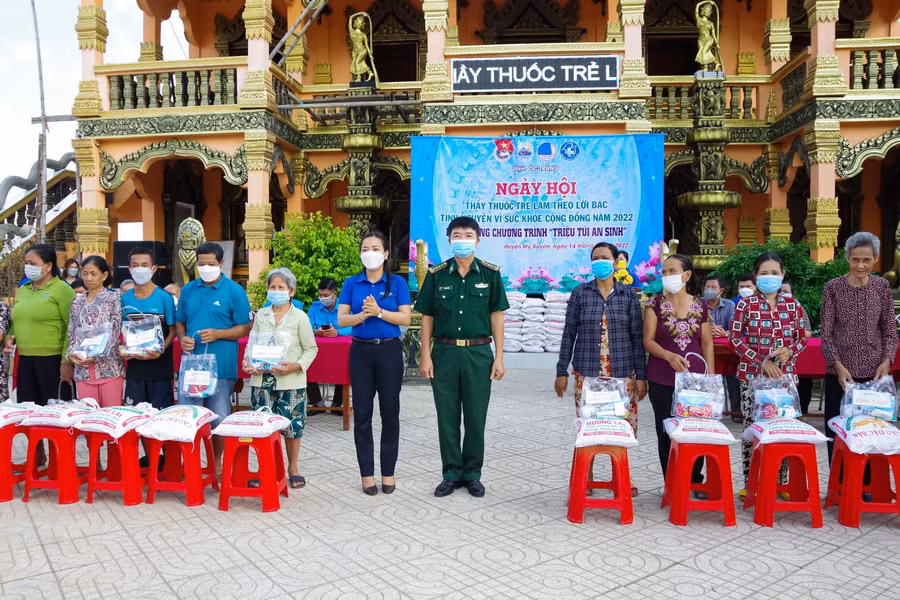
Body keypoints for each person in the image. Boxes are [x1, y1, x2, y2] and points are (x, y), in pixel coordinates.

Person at [416, 217, 508, 499]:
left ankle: (473, 475)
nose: (463, 240)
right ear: (449, 239)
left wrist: (499, 357)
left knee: (476, 417)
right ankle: (451, 474)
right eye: (457, 235)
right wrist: (425, 356)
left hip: (479, 353)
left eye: (469, 235)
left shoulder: (490, 275)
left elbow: (497, 317)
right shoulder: (437, 275)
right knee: (447, 416)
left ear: (478, 240)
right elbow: (427, 318)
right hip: (444, 353)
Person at [555, 241, 647, 496]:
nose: (599, 261)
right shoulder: (580, 293)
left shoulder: (628, 295)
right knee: (590, 425)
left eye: (604, 257)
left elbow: (637, 337)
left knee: (620, 427)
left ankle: (622, 479)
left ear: (616, 260)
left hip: (622, 374)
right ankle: (587, 477)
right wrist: (561, 371)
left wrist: (642, 376)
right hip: (587, 374)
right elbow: (568, 334)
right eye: (595, 257)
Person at [337, 231, 411, 496]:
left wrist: (379, 311)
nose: (370, 252)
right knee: (363, 417)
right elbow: (342, 320)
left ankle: (388, 473)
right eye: (365, 248)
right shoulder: (351, 284)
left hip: (389, 352)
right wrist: (362, 315)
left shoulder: (398, 283)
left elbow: (405, 318)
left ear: (386, 254)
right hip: (361, 353)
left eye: (375, 248)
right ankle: (367, 475)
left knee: (390, 414)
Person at [729, 252, 807, 497]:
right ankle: (750, 483)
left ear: (782, 275)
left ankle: (780, 482)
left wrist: (789, 352)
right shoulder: (746, 304)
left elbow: (803, 338)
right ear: (756, 276)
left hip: (784, 380)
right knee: (753, 429)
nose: (769, 277)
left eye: (775, 273)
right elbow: (734, 340)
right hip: (752, 378)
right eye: (764, 273)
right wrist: (762, 360)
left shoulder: (793, 305)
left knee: (782, 428)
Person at [821, 232, 897, 460]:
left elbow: (889, 331)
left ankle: (866, 487)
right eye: (855, 259)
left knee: (870, 432)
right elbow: (826, 334)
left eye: (867, 260)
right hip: (840, 376)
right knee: (838, 431)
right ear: (847, 258)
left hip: (874, 376)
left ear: (875, 258)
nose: (861, 265)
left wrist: (887, 361)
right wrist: (837, 366)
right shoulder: (833, 287)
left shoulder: (882, 287)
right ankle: (839, 487)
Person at [176, 242, 252, 467]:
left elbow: (245, 327)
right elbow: (180, 321)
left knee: (218, 416)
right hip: (193, 367)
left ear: (221, 263)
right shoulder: (189, 289)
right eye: (201, 264)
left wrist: (219, 334)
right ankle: (189, 464)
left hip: (222, 366)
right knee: (188, 415)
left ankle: (216, 464)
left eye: (211, 264)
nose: (206, 267)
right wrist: (182, 339)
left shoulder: (234, 291)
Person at [644, 254, 714, 495]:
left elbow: (706, 342)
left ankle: (695, 480)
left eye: (672, 270)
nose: (666, 276)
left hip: (695, 380)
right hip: (661, 377)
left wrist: (710, 378)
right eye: (663, 272)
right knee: (667, 431)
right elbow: (647, 341)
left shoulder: (701, 305)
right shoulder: (654, 305)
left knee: (695, 430)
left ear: (686, 275)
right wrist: (668, 355)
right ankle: (672, 483)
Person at [244, 268, 318, 489]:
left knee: (292, 427)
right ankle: (266, 467)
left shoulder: (300, 318)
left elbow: (311, 349)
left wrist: (296, 365)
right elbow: (252, 344)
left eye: (281, 288)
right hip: (262, 381)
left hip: (291, 381)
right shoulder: (261, 316)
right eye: (272, 287)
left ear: (291, 291)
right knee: (263, 427)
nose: (276, 291)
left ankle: (293, 468)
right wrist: (248, 363)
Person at [3, 244, 76, 465]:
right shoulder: (24, 290)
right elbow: (17, 321)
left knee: (53, 412)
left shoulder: (63, 290)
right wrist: (10, 336)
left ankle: (59, 460)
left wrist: (66, 361)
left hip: (52, 359)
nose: (28, 267)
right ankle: (36, 456)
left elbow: (71, 327)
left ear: (49, 266)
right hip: (25, 359)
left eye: (32, 264)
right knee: (29, 410)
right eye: (26, 263)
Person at [122, 247, 177, 410]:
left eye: (145, 265)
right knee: (135, 416)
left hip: (160, 369)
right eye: (136, 265)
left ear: (153, 268)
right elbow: (125, 331)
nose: (140, 269)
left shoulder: (164, 298)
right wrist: (128, 350)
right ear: (130, 269)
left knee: (159, 417)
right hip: (135, 370)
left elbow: (173, 331)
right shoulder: (125, 298)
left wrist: (160, 350)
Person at [65, 256, 123, 407]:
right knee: (88, 418)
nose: (88, 278)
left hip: (108, 368)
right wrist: (71, 354)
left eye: (93, 273)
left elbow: (115, 332)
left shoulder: (113, 298)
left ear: (104, 275)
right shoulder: (76, 301)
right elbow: (72, 331)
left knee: (109, 417)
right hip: (82, 369)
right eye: (85, 273)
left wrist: (96, 355)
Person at [307, 278, 351, 413]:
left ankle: (338, 403)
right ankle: (317, 402)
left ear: (334, 294)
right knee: (305, 363)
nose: (322, 298)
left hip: (340, 350)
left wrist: (337, 332)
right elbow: (306, 327)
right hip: (318, 349)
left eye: (325, 296)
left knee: (343, 366)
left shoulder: (345, 307)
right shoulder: (314, 307)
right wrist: (316, 331)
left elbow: (354, 326)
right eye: (320, 295)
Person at [704, 275, 740, 421]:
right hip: (705, 351)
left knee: (733, 374)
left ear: (722, 291)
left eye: (713, 288)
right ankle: (707, 411)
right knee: (706, 378)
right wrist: (706, 331)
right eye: (707, 287)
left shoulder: (730, 305)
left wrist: (725, 333)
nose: (709, 290)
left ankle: (736, 412)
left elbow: (737, 330)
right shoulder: (698, 304)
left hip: (727, 353)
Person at [780, 279, 814, 415]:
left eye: (786, 292)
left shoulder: (797, 307)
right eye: (780, 292)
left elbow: (808, 332)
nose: (783, 294)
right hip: (774, 353)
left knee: (805, 377)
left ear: (792, 294)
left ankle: (802, 411)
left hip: (795, 351)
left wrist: (790, 332)